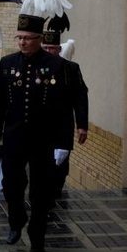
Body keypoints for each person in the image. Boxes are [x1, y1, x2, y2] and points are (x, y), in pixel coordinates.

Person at [0, 13, 70, 252]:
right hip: (14, 137)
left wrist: (64, 143)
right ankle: (16, 220)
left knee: (41, 191)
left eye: (28, 38)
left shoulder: (57, 66)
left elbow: (65, 108)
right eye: (19, 38)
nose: (22, 42)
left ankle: (37, 232)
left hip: (44, 139)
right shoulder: (8, 64)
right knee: (11, 184)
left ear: (39, 39)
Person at [41, 29, 89, 199]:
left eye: (51, 48)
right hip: (38, 128)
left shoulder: (70, 69)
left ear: (58, 50)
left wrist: (82, 125)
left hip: (62, 128)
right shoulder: (34, 67)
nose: (47, 51)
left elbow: (80, 97)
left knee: (59, 168)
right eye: (44, 48)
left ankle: (55, 195)